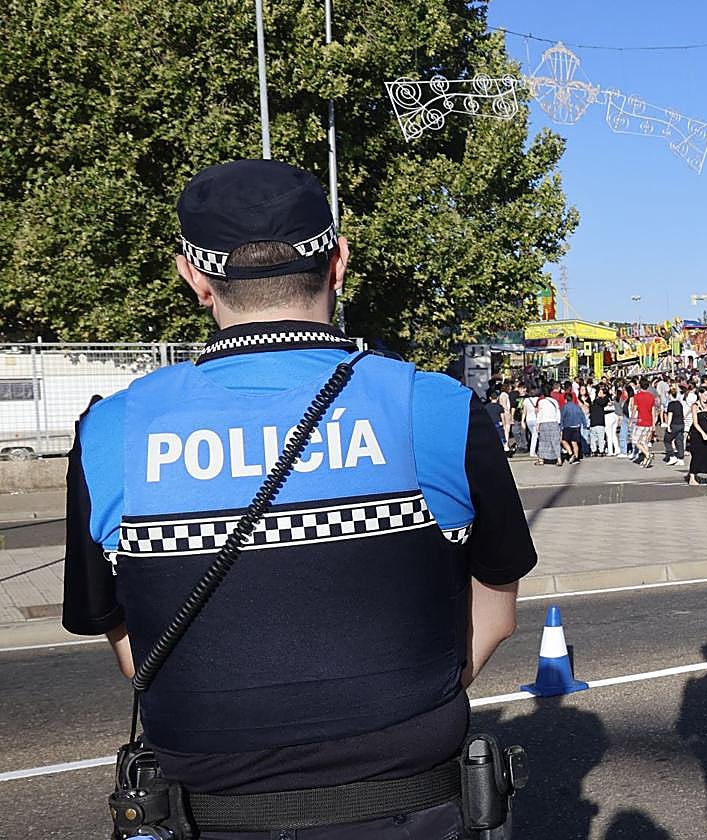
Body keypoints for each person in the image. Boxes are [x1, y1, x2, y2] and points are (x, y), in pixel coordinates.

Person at [61, 159, 537, 839]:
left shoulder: (110, 431)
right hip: (411, 807)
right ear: (338, 262)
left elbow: (130, 646)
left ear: (194, 277)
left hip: (209, 815)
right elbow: (496, 612)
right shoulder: (439, 407)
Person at [687, 386, 707, 486]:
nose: (706, 397)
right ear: (699, 394)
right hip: (697, 433)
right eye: (705, 395)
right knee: (697, 454)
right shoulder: (695, 406)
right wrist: (702, 433)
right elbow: (695, 423)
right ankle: (692, 476)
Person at [631, 377, 658, 468]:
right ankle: (646, 460)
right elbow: (653, 411)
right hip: (649, 421)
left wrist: (631, 419)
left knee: (635, 440)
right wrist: (653, 423)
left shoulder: (637, 396)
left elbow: (634, 409)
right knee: (644, 442)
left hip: (641, 421)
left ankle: (647, 454)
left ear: (640, 385)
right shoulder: (651, 396)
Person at [534, 386, 563, 465]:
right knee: (555, 441)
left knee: (543, 441)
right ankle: (559, 459)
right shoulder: (554, 401)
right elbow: (558, 412)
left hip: (544, 422)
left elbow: (539, 414)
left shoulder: (541, 402)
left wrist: (538, 424)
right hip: (554, 422)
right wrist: (558, 422)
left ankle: (541, 459)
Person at [662, 387, 687, 465]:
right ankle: (681, 458)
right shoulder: (680, 404)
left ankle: (672, 456)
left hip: (674, 424)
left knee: (667, 440)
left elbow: (670, 415)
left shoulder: (671, 404)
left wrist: (668, 425)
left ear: (670, 395)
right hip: (681, 424)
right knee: (679, 441)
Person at [561, 392, 587, 464]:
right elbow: (582, 415)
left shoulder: (565, 407)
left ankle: (571, 454)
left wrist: (561, 427)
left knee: (564, 441)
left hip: (568, 426)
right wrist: (584, 424)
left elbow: (562, 418)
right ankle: (576, 457)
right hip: (576, 426)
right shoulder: (577, 406)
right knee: (574, 442)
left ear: (565, 399)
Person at [589, 385, 611, 457]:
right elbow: (604, 401)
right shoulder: (597, 400)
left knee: (596, 438)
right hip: (597, 421)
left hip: (596, 421)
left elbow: (603, 401)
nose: (602, 394)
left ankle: (596, 450)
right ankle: (597, 450)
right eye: (600, 392)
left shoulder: (595, 401)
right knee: (597, 438)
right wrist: (604, 396)